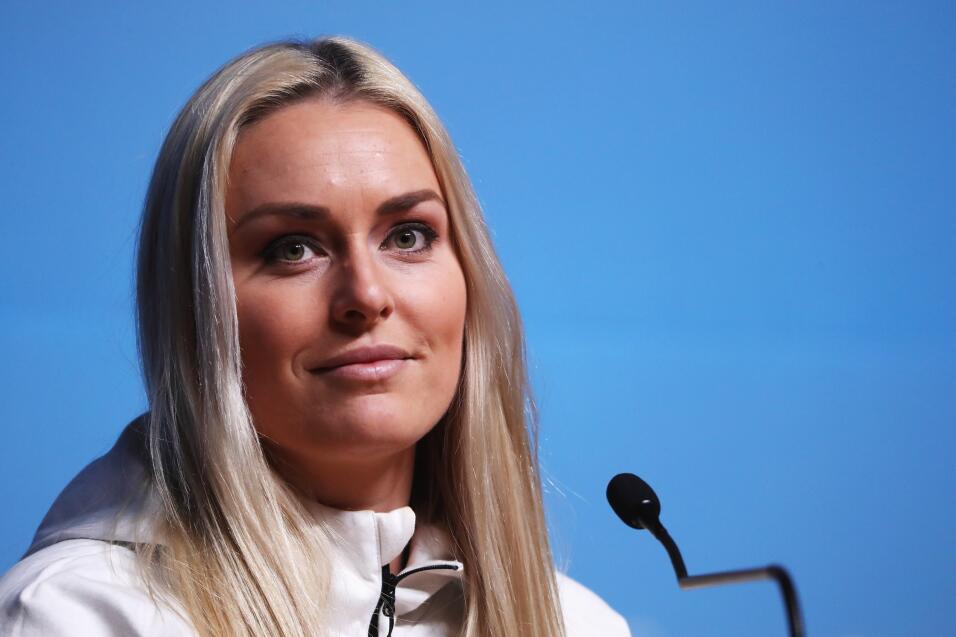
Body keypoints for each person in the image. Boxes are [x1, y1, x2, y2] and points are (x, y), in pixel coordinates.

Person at [0, 37, 630, 637]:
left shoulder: (580, 625)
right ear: (197, 309)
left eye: (407, 235)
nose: (366, 296)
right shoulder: (77, 616)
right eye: (293, 249)